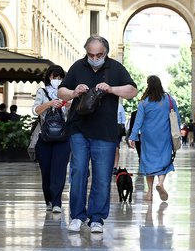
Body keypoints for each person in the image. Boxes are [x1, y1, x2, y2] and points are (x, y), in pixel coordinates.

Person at [58, 36, 137, 234]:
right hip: (78, 128)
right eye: (91, 54)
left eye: (99, 55)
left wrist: (111, 89)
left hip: (105, 132)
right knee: (78, 172)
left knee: (102, 176)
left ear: (106, 53)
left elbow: (132, 90)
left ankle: (97, 218)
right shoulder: (78, 67)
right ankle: (77, 216)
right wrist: (74, 92)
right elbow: (61, 92)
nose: (94, 58)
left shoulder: (115, 68)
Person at [129, 75, 181, 203]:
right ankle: (161, 183)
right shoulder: (169, 99)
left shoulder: (144, 102)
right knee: (163, 159)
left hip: (148, 137)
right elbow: (177, 117)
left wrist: (133, 136)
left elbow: (138, 121)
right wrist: (177, 132)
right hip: (164, 135)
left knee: (148, 162)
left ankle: (150, 192)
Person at [33, 64, 71, 213]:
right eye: (54, 77)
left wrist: (67, 105)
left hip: (63, 137)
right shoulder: (41, 92)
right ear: (49, 77)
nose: (57, 79)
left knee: (59, 170)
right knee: (46, 171)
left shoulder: (67, 93)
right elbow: (36, 110)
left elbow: (72, 113)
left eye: (60, 77)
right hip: (45, 137)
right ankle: (48, 199)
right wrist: (49, 103)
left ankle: (57, 202)